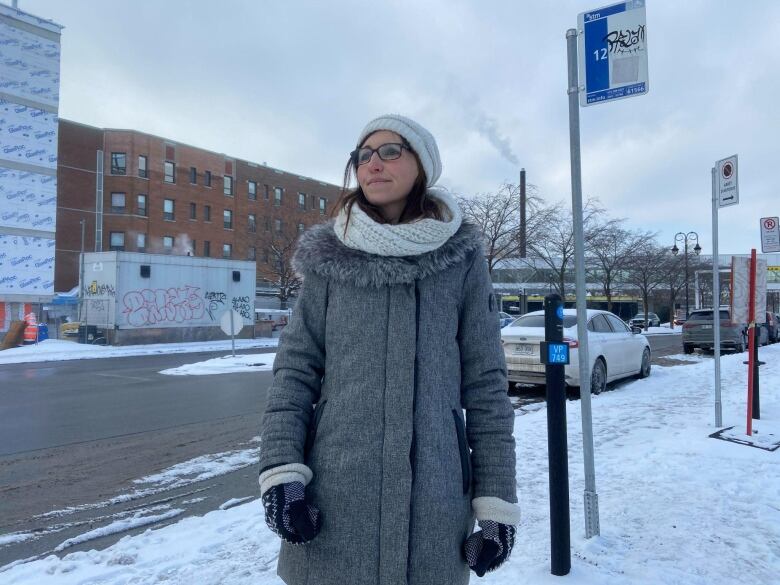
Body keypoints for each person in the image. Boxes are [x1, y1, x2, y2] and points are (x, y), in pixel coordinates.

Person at [258, 114, 520, 585]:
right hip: (335, 502)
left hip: (435, 509)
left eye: (390, 151)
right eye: (363, 155)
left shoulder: (460, 259)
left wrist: (496, 502)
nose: (373, 163)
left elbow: (485, 384)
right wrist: (281, 473)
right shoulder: (328, 260)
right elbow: (295, 371)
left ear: (422, 164)